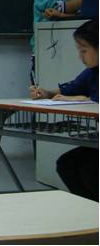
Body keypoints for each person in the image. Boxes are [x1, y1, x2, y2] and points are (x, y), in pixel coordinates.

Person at [29, 18, 98, 201]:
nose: (80, 56)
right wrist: (46, 93)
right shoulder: (92, 73)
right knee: (67, 164)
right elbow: (68, 90)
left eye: (84, 51)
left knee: (90, 171)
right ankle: (90, 210)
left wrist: (84, 99)